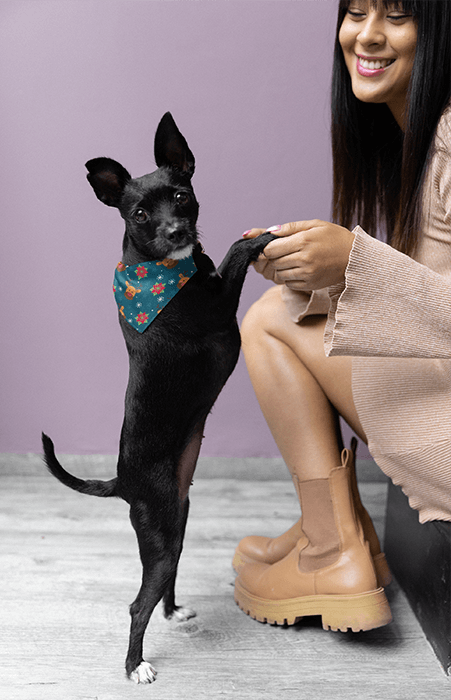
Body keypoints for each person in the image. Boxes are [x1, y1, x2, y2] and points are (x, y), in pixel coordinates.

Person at [232, 0, 451, 633]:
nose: (367, 35)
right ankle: (333, 531)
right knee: (290, 303)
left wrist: (356, 261)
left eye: (397, 15)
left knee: (272, 320)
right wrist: (320, 274)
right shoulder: (421, 129)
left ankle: (332, 552)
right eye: (355, 11)